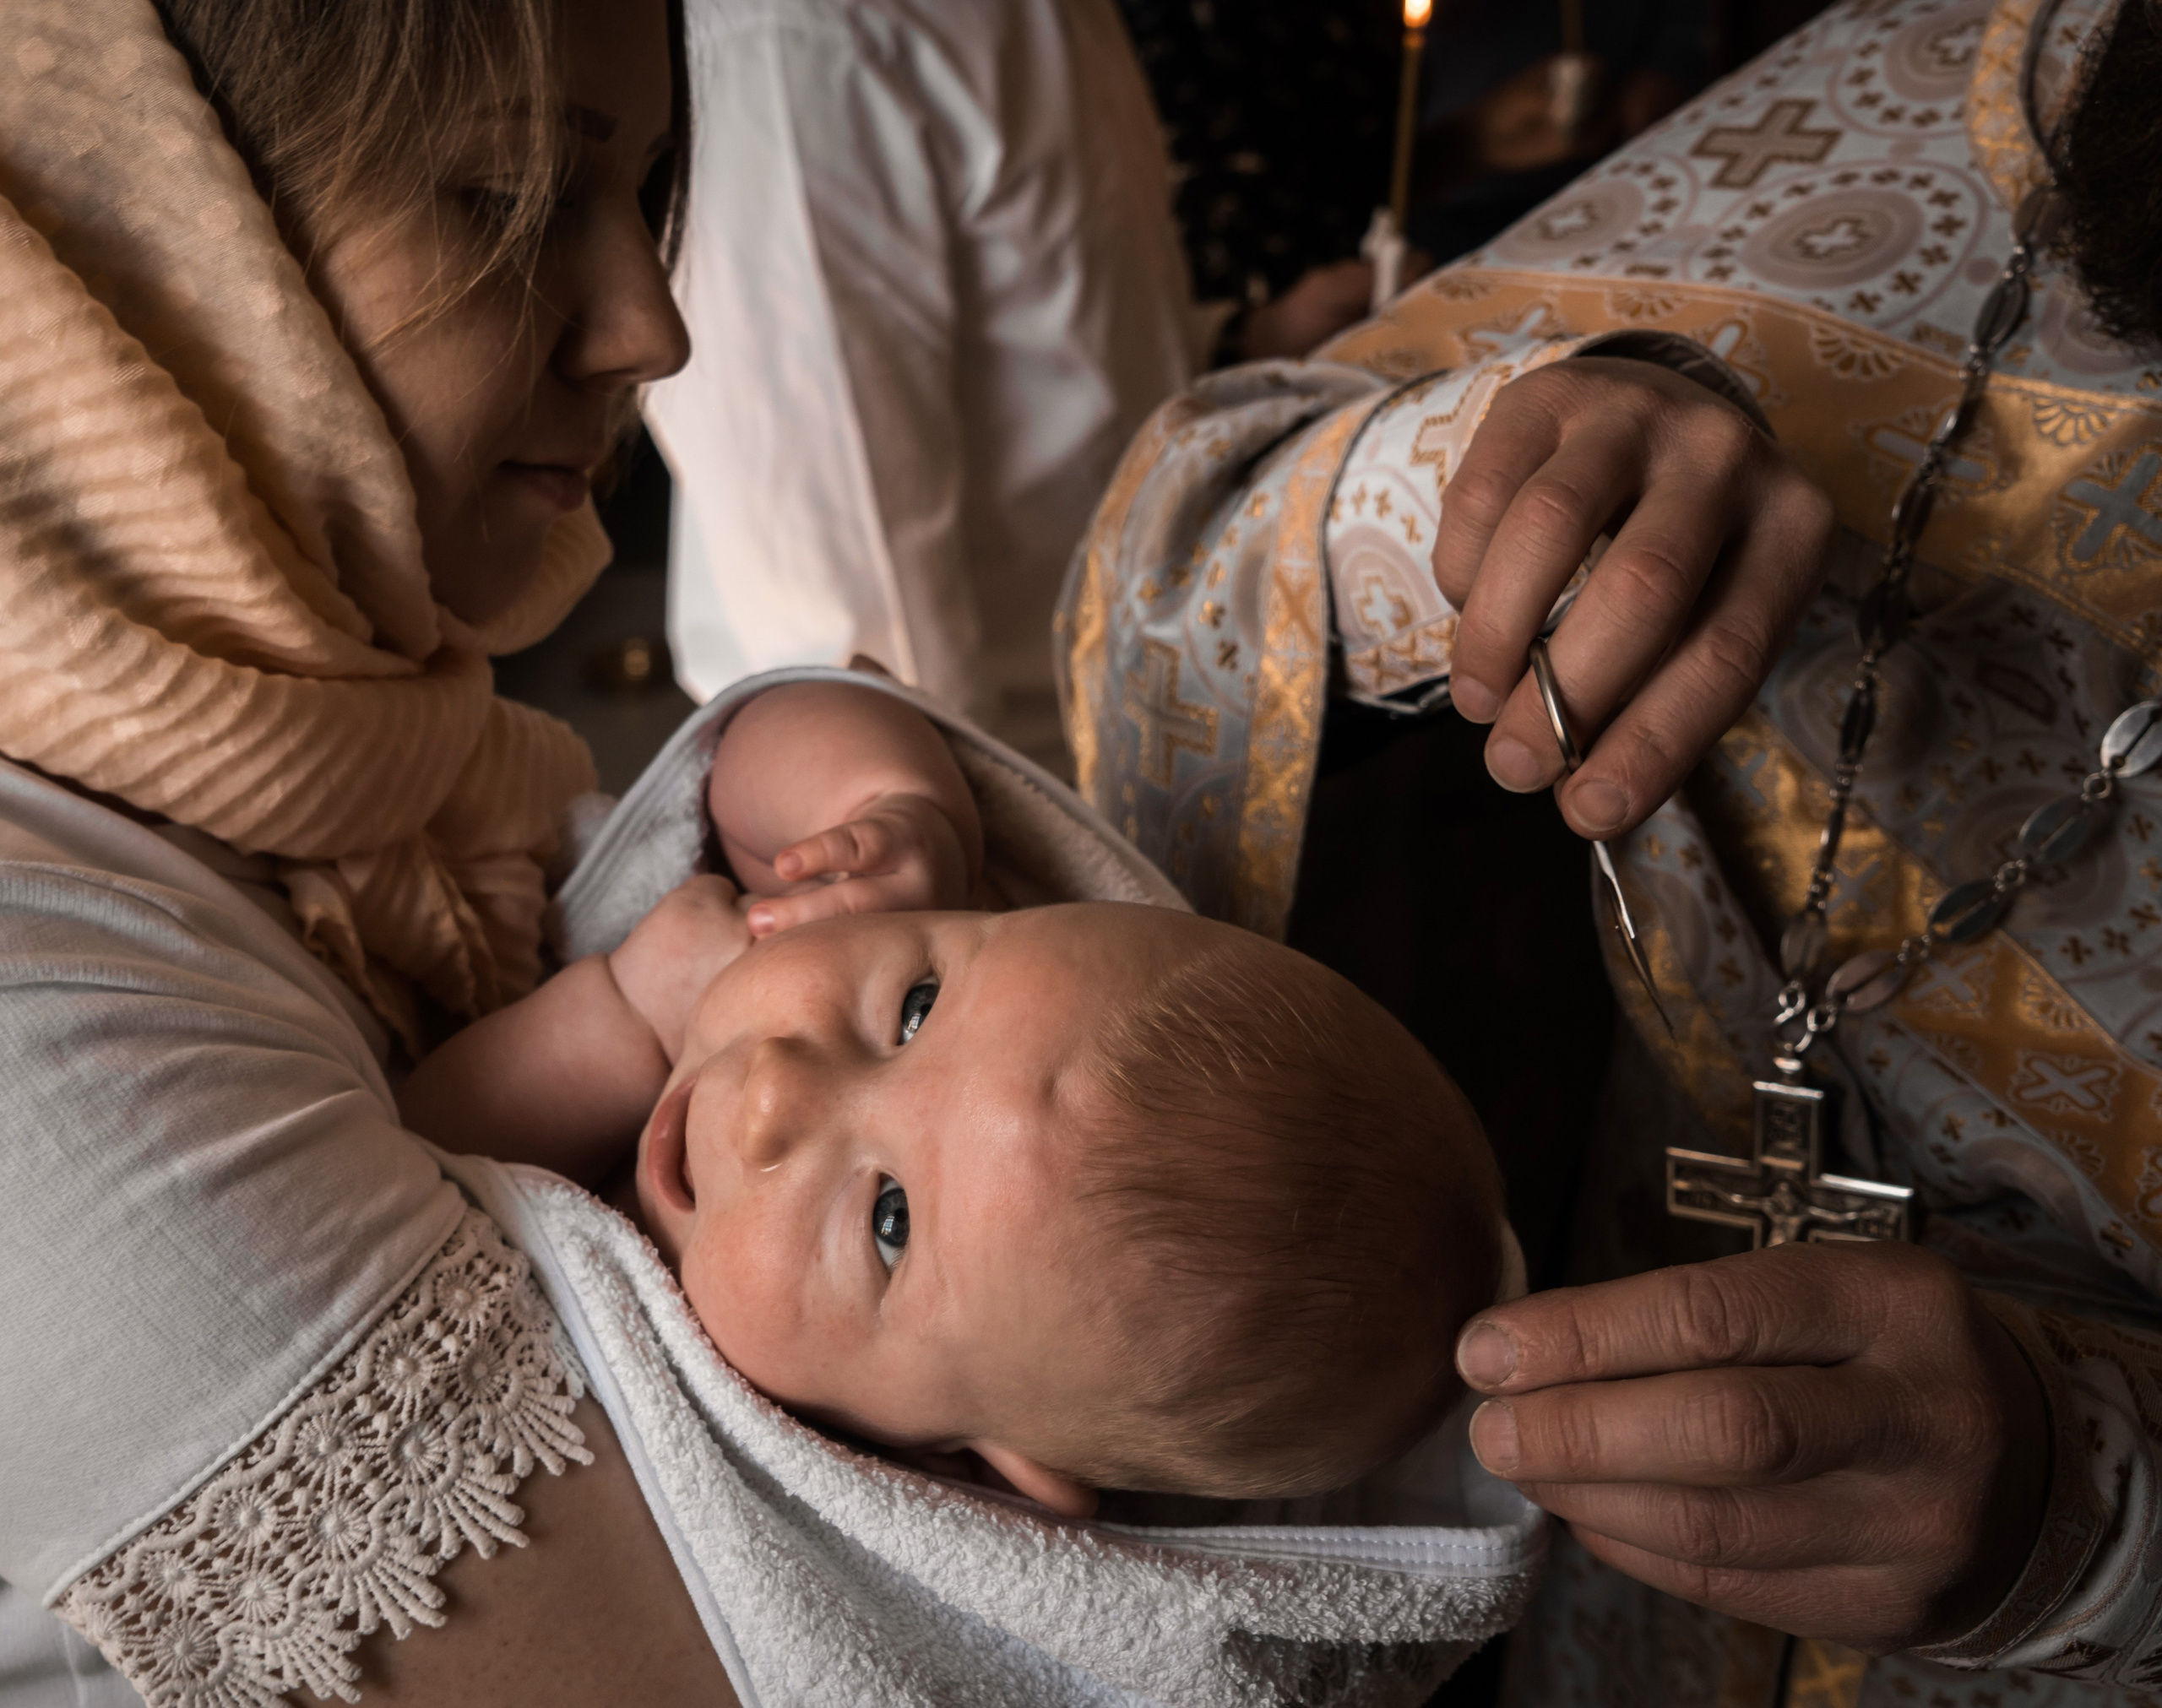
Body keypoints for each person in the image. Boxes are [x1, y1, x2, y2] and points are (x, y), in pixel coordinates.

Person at [1058, 0, 2162, 1699]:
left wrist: (2089, 1514)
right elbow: (1175, 559)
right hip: (1586, 1476)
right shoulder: (2002, 79)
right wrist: (1511, 482)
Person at [399, 679, 1507, 1516]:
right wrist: (905, 811)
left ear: (977, 1467)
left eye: (891, 1218)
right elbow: (747, 754)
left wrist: (629, 1020)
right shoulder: (930, 914)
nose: (777, 1089)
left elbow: (398, 1197)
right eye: (916, 1007)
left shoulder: (768, 1495)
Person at [642, 0, 1382, 771]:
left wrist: (1244, 340)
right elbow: (861, 626)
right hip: (1002, 773)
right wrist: (974, 819)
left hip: (1150, 702)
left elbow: (1052, 334)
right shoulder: (797, 41)